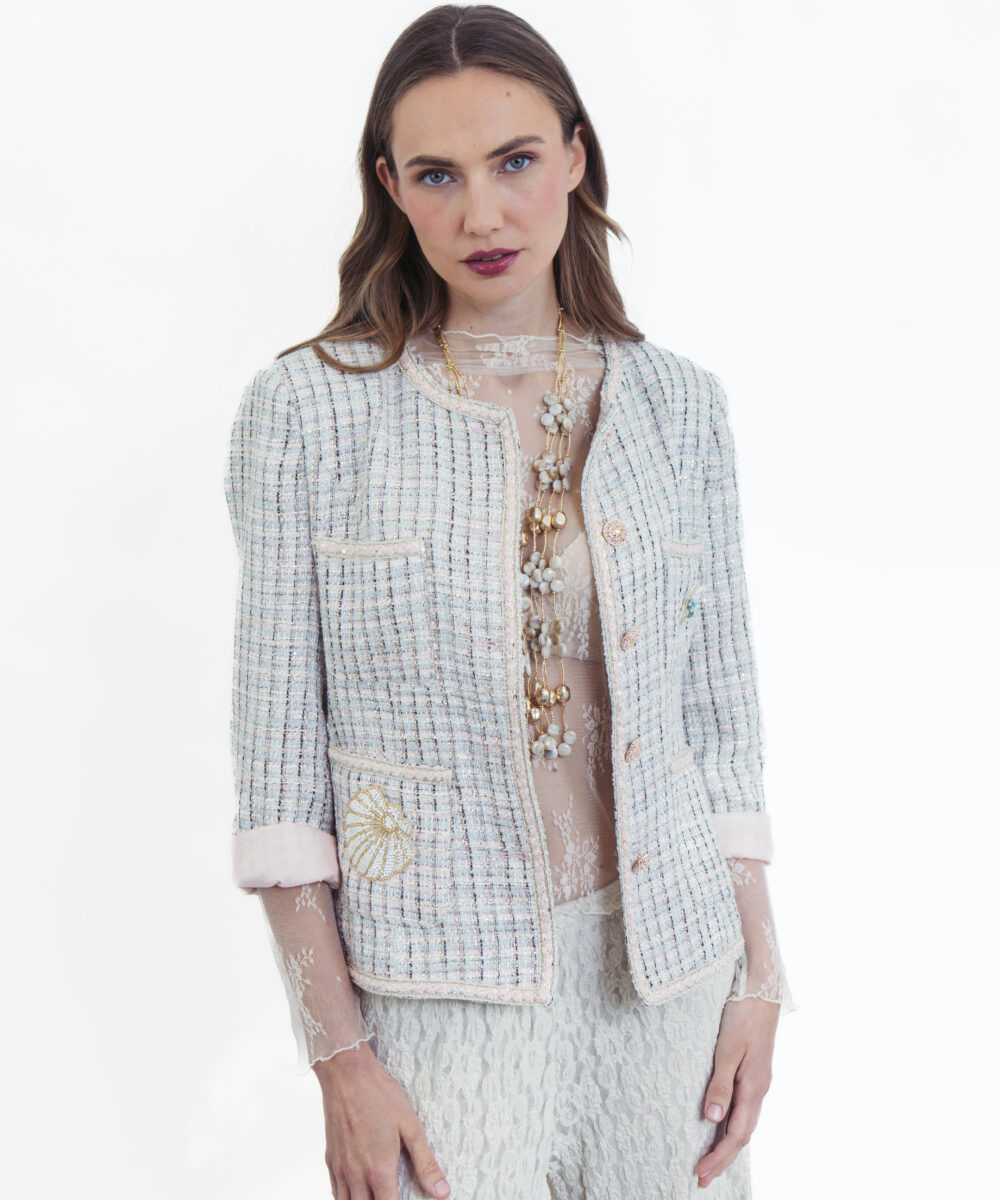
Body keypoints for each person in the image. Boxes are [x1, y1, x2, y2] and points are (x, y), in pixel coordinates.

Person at [223, 5, 796, 1197]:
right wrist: (340, 1060)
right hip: (436, 992)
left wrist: (759, 981)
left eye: (515, 161)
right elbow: (280, 782)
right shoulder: (309, 414)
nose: (482, 214)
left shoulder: (679, 407)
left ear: (576, 156)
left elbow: (718, 727)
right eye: (438, 175)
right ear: (390, 186)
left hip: (671, 983)